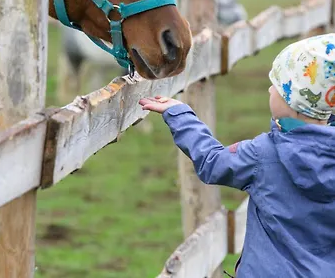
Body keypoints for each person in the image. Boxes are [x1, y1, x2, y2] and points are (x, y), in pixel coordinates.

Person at [139, 33, 335, 277]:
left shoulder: (263, 154)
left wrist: (181, 115)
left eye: (276, 85)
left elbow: (213, 162)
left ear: (291, 102)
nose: (269, 89)